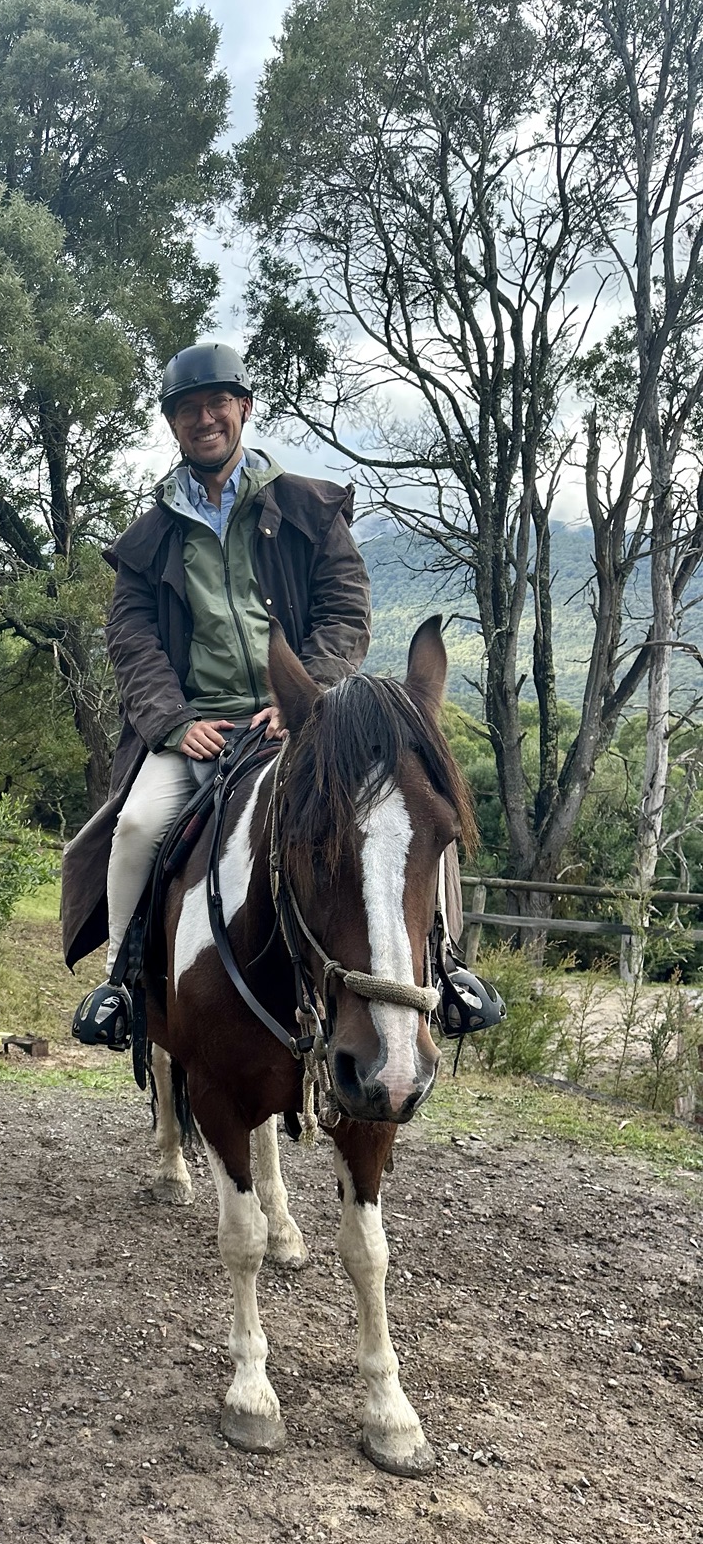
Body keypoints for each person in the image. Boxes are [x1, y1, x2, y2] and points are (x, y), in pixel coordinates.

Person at [64, 340, 479, 1047]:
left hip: (303, 718)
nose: (204, 419)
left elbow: (346, 612)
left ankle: (447, 970)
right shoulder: (147, 540)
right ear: (172, 424)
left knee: (412, 811)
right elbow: (131, 643)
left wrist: (305, 697)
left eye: (217, 404)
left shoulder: (308, 509)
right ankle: (122, 985)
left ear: (243, 409)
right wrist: (170, 721)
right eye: (188, 409)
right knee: (135, 828)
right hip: (197, 729)